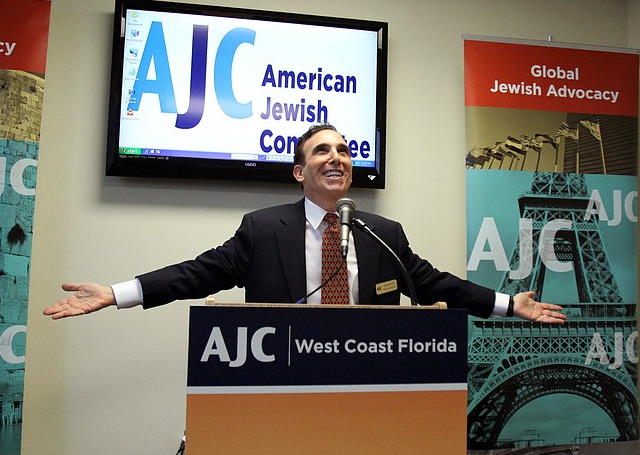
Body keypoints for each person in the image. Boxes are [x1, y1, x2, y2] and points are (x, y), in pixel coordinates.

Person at [44, 124, 565, 324]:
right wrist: (117, 293)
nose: (336, 157)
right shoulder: (263, 229)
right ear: (300, 171)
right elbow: (197, 274)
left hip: (372, 388)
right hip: (284, 386)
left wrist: (507, 303)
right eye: (322, 151)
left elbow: (431, 284)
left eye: (343, 150)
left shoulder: (384, 231)